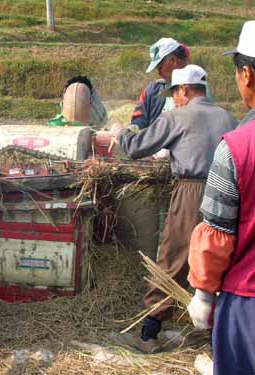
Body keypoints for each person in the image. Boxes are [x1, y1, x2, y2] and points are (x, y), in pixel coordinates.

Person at [110, 64, 237, 353]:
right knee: (221, 262)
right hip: (231, 192)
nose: (174, 100)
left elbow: (136, 147)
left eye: (175, 94)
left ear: (184, 90)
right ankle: (211, 338)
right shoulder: (229, 118)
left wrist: (121, 132)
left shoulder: (178, 116)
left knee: (173, 257)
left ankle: (149, 333)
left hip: (193, 192)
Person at [187, 21, 255, 375]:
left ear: (246, 74)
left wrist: (203, 294)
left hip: (247, 308)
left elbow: (217, 233)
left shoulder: (237, 147)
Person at [131, 37, 190, 131]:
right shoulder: (153, 90)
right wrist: (132, 129)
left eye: (160, 67)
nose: (159, 73)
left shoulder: (195, 90)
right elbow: (139, 118)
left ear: (173, 61)